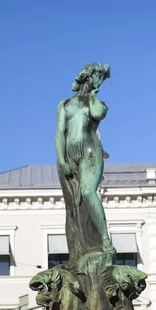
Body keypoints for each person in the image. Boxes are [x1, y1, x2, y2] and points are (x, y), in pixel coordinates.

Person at [55, 63, 114, 262]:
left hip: (90, 152)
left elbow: (98, 114)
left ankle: (104, 239)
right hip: (69, 157)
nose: (99, 82)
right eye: (97, 78)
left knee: (88, 192)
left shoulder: (97, 103)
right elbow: (59, 133)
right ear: (87, 77)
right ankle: (79, 249)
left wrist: (94, 96)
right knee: (73, 207)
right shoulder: (65, 105)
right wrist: (62, 160)